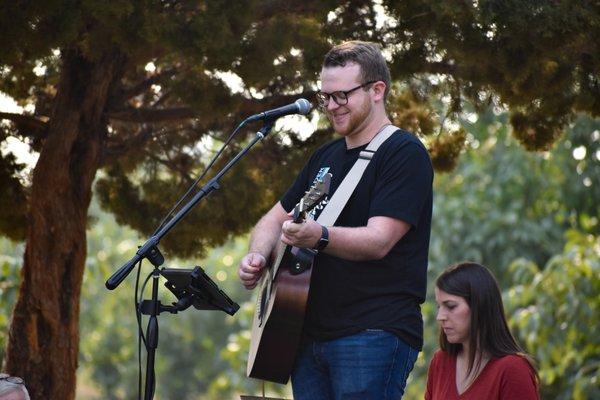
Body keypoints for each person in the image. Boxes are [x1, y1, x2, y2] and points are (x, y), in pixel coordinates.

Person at [238, 40, 433, 399]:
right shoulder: (324, 157)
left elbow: (379, 240)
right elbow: (271, 221)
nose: (330, 106)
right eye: (325, 96)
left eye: (341, 96)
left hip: (372, 332)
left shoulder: (403, 153)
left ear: (377, 90)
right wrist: (259, 256)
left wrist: (318, 235)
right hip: (307, 335)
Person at [426, 262, 539, 400]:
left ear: (479, 306)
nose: (440, 317)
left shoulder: (512, 370)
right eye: (439, 307)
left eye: (450, 306)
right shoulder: (440, 361)